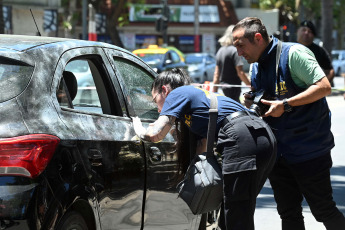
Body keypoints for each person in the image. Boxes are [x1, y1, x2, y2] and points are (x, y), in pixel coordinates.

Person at [232, 17, 345, 230]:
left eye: (240, 45)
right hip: (278, 152)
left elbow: (324, 87)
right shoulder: (255, 66)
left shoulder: (294, 53)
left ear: (257, 38)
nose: (239, 52)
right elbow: (263, 97)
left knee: (323, 210)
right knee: (288, 213)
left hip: (309, 149)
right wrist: (252, 98)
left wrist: (286, 104)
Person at [133, 68, 276, 230]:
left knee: (236, 214)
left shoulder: (176, 94)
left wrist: (137, 127)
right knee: (235, 211)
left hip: (242, 136)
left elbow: (155, 134)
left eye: (155, 100)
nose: (158, 109)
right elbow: (201, 153)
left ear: (164, 90)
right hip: (261, 136)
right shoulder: (196, 100)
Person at [212, 25, 251, 103]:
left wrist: (214, 94)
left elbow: (216, 74)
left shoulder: (220, 51)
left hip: (223, 87)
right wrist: (251, 86)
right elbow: (240, 73)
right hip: (234, 88)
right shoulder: (235, 51)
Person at [297, 20, 335, 85]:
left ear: (313, 36)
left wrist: (322, 86)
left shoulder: (319, 51)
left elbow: (330, 71)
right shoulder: (289, 47)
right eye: (304, 30)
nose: (306, 33)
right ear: (298, 31)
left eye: (310, 32)